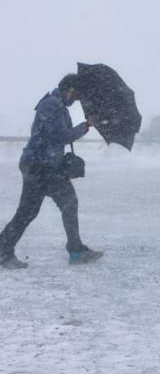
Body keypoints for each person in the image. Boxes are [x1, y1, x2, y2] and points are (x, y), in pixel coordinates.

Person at [0, 74, 103, 269]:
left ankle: (75, 250)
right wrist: (84, 126)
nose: (78, 99)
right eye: (77, 95)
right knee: (37, 210)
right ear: (69, 90)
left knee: (52, 206)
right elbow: (59, 136)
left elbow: (58, 134)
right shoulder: (52, 105)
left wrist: (86, 124)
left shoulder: (57, 105)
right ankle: (75, 251)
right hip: (41, 167)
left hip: (44, 166)